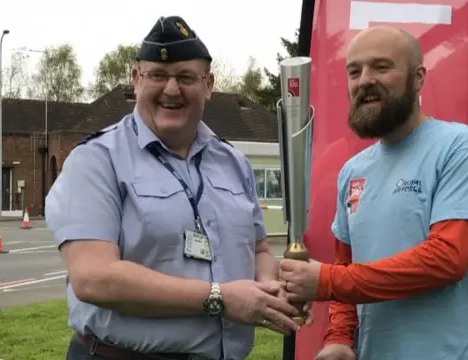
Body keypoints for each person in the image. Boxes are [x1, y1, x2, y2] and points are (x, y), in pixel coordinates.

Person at [46, 15, 310, 360]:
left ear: (209, 84)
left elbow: (258, 247)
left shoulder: (233, 163)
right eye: (158, 75)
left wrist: (268, 287)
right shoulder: (96, 160)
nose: (172, 89)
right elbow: (94, 278)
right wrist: (221, 298)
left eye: (186, 77)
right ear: (136, 79)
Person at [279, 25, 468, 360]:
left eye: (382, 67)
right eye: (354, 71)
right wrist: (339, 337)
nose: (364, 80)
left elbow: (447, 259)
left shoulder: (461, 148)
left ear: (418, 79)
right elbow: (346, 264)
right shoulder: (353, 172)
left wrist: (326, 281)